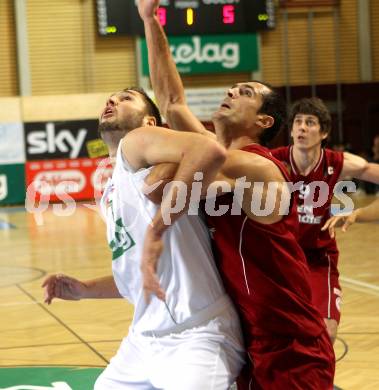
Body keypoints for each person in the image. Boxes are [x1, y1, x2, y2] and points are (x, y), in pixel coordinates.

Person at [137, 1, 335, 388]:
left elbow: (163, 182)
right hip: (247, 335)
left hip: (292, 343)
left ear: (264, 121)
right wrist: (149, 19)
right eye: (232, 87)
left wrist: (153, 152)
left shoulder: (256, 166)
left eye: (244, 91)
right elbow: (172, 102)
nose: (231, 90)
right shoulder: (213, 152)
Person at [42, 87, 245, 390]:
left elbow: (210, 149)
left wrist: (158, 228)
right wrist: (85, 290)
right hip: (143, 339)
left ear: (150, 123)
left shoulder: (133, 144)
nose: (111, 100)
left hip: (197, 334)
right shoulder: (112, 189)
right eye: (110, 97)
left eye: (126, 98)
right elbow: (140, 276)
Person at [270, 97, 379, 345]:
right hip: (280, 256)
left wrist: (358, 214)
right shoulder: (273, 161)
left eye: (310, 122)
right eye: (297, 122)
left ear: (324, 132)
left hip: (318, 257)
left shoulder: (339, 164)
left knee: (327, 331)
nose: (302, 128)